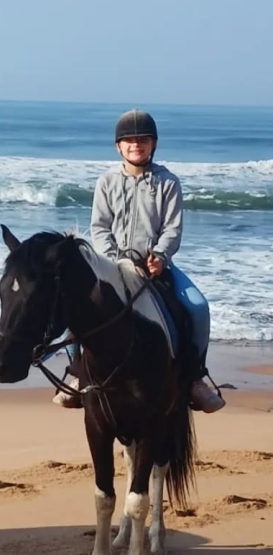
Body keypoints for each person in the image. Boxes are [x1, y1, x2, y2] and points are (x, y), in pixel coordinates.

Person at [52, 109, 226, 414]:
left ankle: (196, 378)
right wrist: (112, 260)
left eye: (143, 139)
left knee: (198, 307)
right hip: (112, 266)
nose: (136, 144)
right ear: (118, 146)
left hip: (154, 266)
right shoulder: (106, 182)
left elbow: (172, 228)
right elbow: (99, 227)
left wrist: (160, 255)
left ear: (153, 144)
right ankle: (77, 372)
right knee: (74, 312)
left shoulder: (168, 183)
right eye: (129, 140)